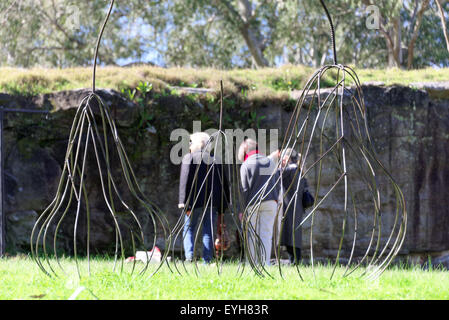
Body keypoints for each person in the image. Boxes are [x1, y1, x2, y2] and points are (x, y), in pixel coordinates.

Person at [178, 132, 229, 263]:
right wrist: (224, 204)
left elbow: (185, 181)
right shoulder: (216, 159)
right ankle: (207, 259)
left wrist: (183, 202)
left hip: (193, 201)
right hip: (211, 201)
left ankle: (189, 257)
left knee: (189, 228)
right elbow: (223, 183)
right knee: (208, 230)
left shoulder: (189, 158)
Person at [238, 138, 280, 266]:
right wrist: (275, 200)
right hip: (271, 202)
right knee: (266, 234)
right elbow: (277, 182)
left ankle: (253, 264)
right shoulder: (270, 161)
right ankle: (265, 263)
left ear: (244, 151)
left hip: (252, 203)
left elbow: (244, 189)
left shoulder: (246, 164)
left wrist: (242, 209)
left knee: (251, 234)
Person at [274, 148, 312, 265]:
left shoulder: (291, 169)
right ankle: (295, 261)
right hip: (295, 208)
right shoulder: (299, 169)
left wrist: (275, 162)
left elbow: (275, 174)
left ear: (287, 158)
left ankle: (295, 261)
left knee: (290, 236)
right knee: (292, 236)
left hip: (289, 207)